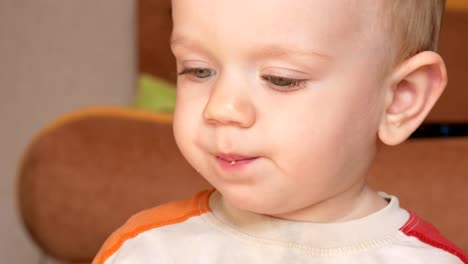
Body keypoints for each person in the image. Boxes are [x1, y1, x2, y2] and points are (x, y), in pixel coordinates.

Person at [93, 0, 467, 263]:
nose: (220, 108)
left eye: (280, 79)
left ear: (400, 99)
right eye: (198, 70)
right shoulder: (144, 251)